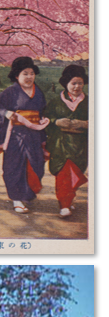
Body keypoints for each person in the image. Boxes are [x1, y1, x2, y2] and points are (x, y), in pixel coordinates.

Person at [0, 56, 49, 214]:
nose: (29, 77)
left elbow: (43, 111)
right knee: (14, 166)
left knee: (35, 164)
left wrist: (43, 119)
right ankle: (16, 199)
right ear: (17, 76)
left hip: (34, 135)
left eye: (32, 73)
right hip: (16, 135)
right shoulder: (10, 92)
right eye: (25, 73)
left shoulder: (38, 93)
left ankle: (26, 194)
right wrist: (6, 113)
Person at [45, 64, 88, 217]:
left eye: (80, 83)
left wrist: (85, 124)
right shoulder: (56, 102)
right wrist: (56, 122)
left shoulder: (89, 102)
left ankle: (68, 200)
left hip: (81, 146)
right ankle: (64, 205)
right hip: (60, 145)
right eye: (73, 83)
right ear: (66, 84)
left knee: (76, 174)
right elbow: (45, 119)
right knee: (64, 175)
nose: (77, 87)